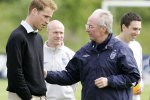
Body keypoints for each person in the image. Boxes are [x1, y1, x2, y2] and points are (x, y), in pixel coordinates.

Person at [44, 9, 140, 100]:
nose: (87, 29)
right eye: (87, 26)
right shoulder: (84, 51)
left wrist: (109, 81)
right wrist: (46, 74)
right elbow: (69, 76)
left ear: (103, 28)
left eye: (90, 26)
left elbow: (133, 77)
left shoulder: (121, 49)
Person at [6, 0, 57, 100]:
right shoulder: (17, 37)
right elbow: (15, 73)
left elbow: (37, 71)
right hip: (22, 97)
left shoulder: (38, 37)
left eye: (49, 18)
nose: (47, 21)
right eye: (46, 16)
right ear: (34, 11)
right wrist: (29, 97)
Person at [44, 20, 77, 100]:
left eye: (61, 33)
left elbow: (74, 82)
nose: (59, 36)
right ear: (47, 33)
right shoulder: (38, 53)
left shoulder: (71, 54)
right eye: (55, 32)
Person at [116, 12, 144, 100]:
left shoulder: (137, 46)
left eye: (139, 29)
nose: (138, 32)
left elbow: (139, 73)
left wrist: (140, 86)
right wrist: (128, 87)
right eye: (134, 29)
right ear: (124, 27)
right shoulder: (112, 46)